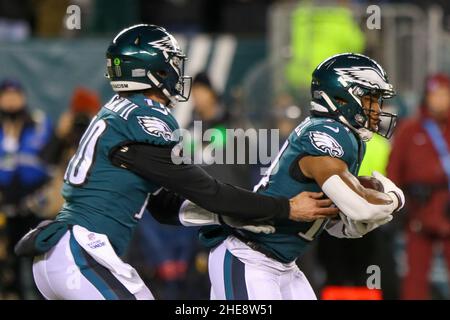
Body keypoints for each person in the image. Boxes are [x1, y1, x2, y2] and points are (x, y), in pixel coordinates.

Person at [15, 24, 337, 300]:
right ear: (150, 70)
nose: (176, 73)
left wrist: (230, 218)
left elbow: (164, 205)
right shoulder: (146, 115)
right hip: (83, 252)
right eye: (170, 64)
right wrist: (284, 208)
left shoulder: (119, 112)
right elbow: (205, 189)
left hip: (64, 253)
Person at [140, 53, 406, 300]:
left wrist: (347, 222)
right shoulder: (326, 134)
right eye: (370, 98)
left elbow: (334, 218)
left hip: (284, 264)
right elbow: (361, 207)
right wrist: (394, 199)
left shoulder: (345, 138)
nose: (376, 108)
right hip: (249, 259)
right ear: (342, 98)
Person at [387, 73, 450, 299]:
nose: (439, 100)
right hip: (418, 211)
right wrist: (398, 204)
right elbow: (393, 170)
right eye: (435, 95)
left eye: (444, 95)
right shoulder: (409, 130)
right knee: (415, 276)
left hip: (447, 209)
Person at [0, 78, 55, 299]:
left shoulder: (39, 123)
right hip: (3, 207)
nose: (11, 100)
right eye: (6, 95)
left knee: (40, 266)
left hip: (34, 206)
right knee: (8, 267)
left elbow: (51, 161)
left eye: (15, 95)